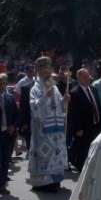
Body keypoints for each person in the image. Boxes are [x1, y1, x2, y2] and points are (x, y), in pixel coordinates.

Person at [28, 56, 68, 193]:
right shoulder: (35, 89)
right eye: (44, 72)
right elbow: (34, 108)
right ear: (39, 72)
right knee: (46, 154)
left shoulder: (54, 87)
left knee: (56, 154)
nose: (48, 74)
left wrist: (64, 100)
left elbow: (57, 106)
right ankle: (42, 183)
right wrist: (46, 96)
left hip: (56, 129)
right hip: (43, 130)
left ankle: (55, 180)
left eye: (49, 71)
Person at [69, 68, 101, 171]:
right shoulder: (75, 93)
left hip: (96, 125)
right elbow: (74, 113)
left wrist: (100, 124)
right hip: (84, 128)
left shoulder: (93, 89)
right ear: (78, 78)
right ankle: (82, 170)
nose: (87, 78)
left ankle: (94, 168)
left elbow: (98, 107)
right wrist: (78, 128)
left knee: (95, 149)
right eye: (84, 77)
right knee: (83, 150)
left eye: (88, 76)